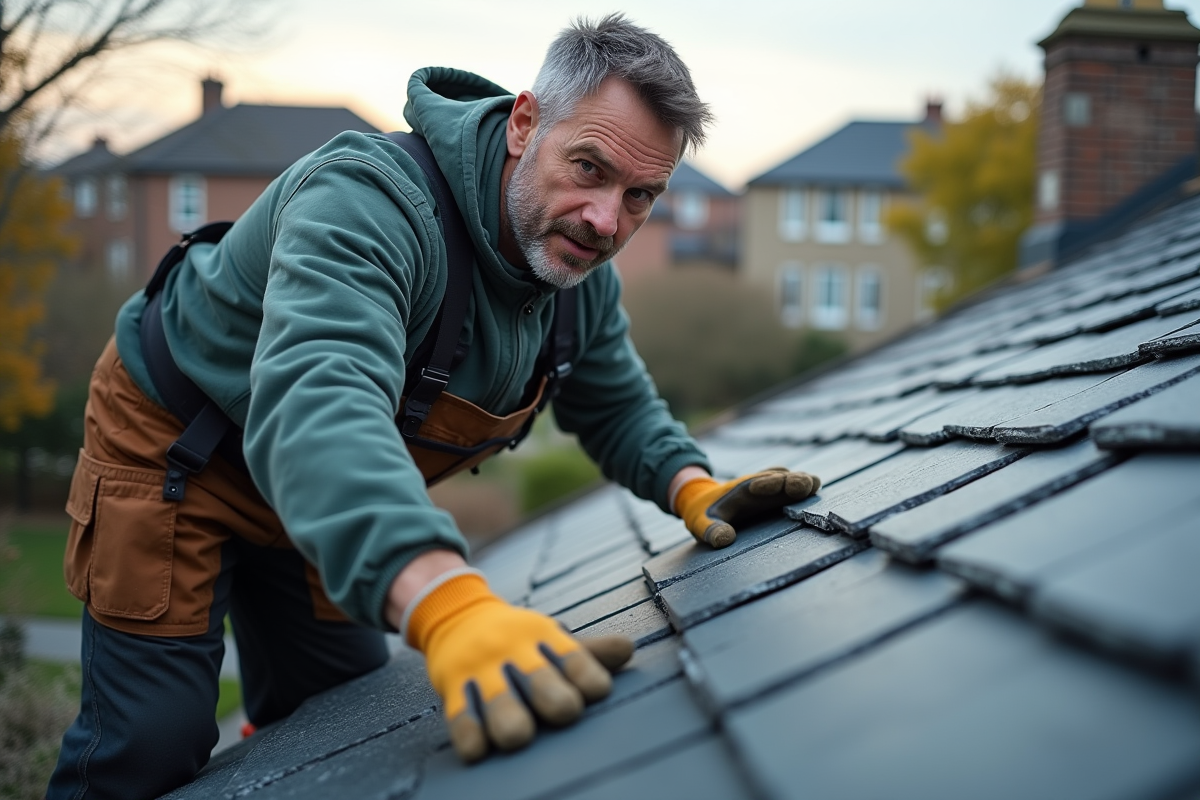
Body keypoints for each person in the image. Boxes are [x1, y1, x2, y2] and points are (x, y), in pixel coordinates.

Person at [47, 14, 819, 799]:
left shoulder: (575, 279)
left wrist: (691, 484)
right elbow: (322, 397)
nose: (605, 220)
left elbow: (619, 404)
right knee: (149, 748)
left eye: (640, 197)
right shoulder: (369, 200)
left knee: (336, 718)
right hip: (181, 447)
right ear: (524, 124)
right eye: (589, 167)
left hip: (329, 489)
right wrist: (449, 604)